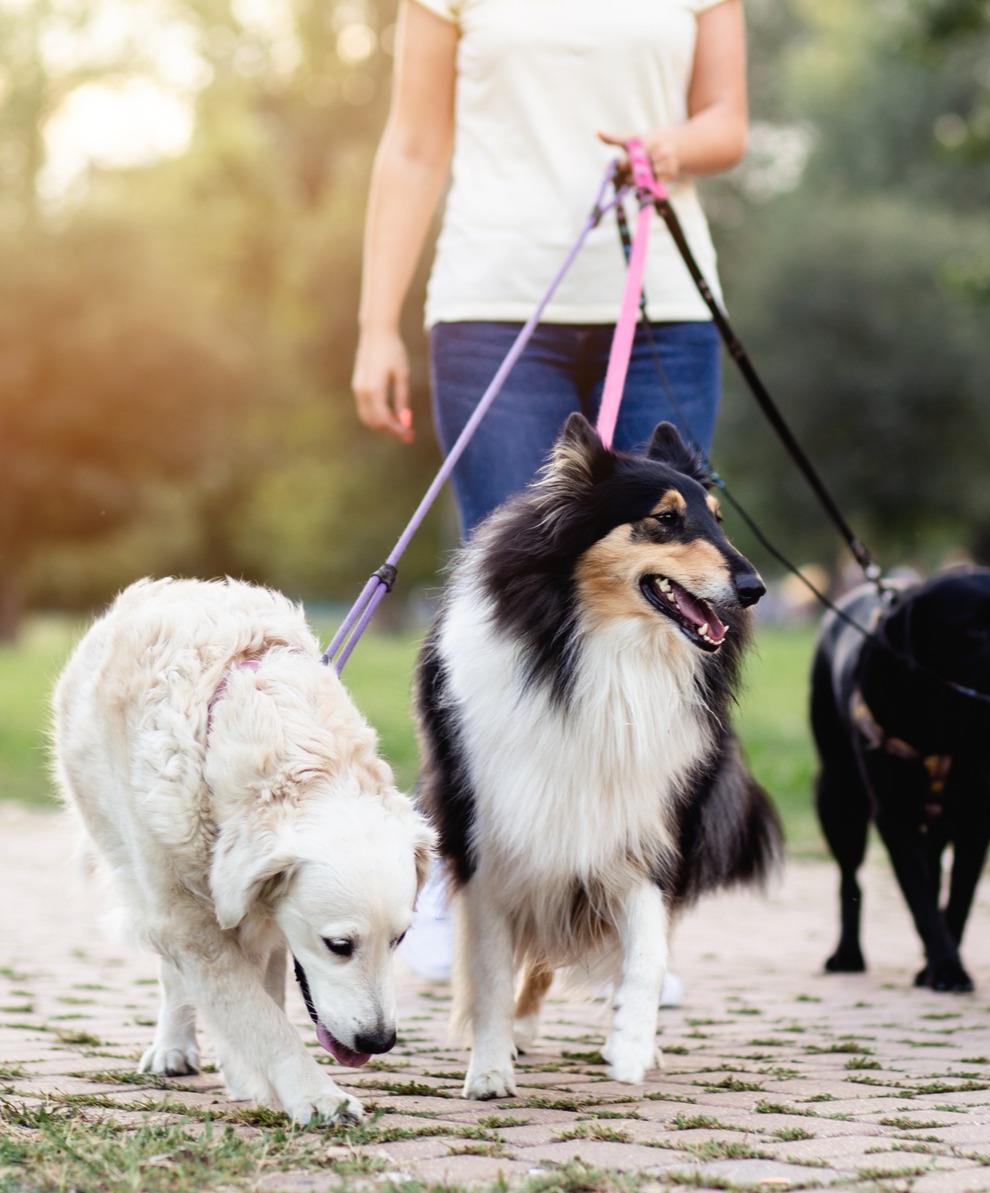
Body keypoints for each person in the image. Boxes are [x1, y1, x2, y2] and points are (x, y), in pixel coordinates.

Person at [351, 0, 749, 993]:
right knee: (505, 597)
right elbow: (411, 144)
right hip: (496, 305)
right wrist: (374, 325)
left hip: (664, 303)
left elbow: (727, 121)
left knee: (667, 603)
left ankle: (627, 902)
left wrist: (668, 146)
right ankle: (466, 871)